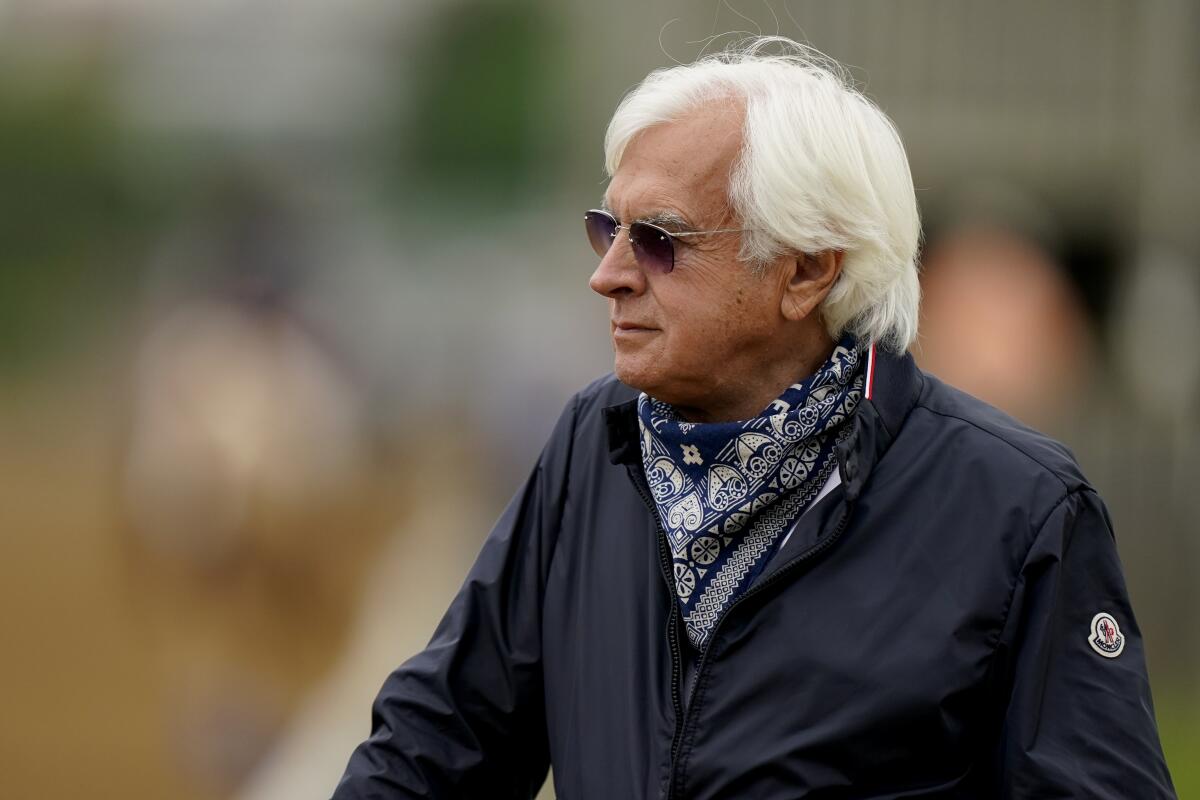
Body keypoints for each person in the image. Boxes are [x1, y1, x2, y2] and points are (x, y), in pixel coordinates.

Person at [331, 38, 1176, 799]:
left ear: (805, 271)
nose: (611, 276)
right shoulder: (596, 443)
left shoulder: (1023, 510)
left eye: (659, 239)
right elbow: (436, 745)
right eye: (607, 229)